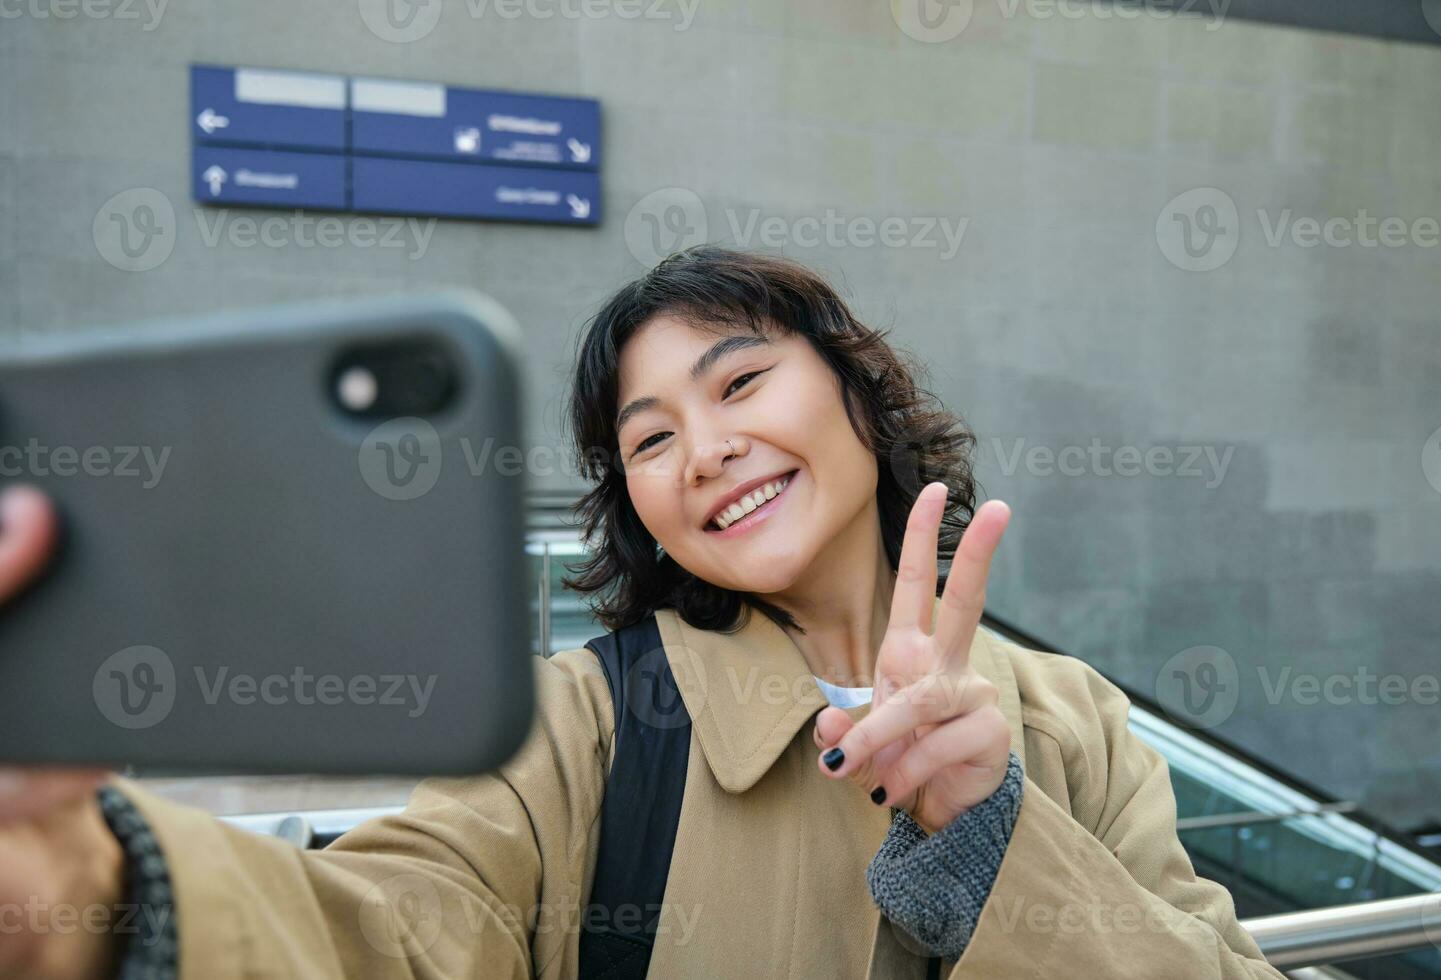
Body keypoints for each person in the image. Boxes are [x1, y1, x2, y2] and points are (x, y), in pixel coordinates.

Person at [0, 246, 1285, 979]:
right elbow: (385, 932)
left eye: (743, 382)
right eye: (651, 436)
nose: (707, 448)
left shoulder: (1071, 719)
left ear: (859, 391)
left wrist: (996, 842)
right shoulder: (587, 724)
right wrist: (77, 879)